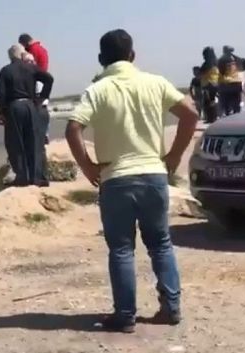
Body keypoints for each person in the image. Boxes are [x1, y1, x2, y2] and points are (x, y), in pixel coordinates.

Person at [64, 29, 199, 333]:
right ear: (133, 55)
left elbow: (73, 129)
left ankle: (125, 316)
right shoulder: (156, 83)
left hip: (116, 180)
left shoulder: (97, 90)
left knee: (121, 249)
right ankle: (171, 307)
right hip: (153, 175)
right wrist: (174, 155)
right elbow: (190, 115)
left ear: (101, 59)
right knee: (161, 244)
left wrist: (88, 167)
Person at [0, 44, 54, 187]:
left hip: (14, 107)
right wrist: (42, 97)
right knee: (34, 141)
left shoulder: (5, 70)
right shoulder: (30, 68)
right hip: (31, 106)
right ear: (22, 55)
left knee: (15, 143)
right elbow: (49, 79)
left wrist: (0, 113)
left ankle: (22, 177)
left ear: (10, 57)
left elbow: (0, 93)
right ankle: (37, 178)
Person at [19, 33, 51, 143]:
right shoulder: (42, 48)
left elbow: (30, 67)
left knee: (36, 108)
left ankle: (40, 133)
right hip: (43, 78)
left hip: (37, 80)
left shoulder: (33, 50)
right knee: (43, 107)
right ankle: (45, 133)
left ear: (25, 42)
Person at [199, 47, 220, 123]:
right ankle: (214, 117)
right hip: (216, 83)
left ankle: (210, 118)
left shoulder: (207, 63)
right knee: (213, 101)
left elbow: (201, 72)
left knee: (207, 103)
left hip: (208, 84)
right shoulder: (217, 62)